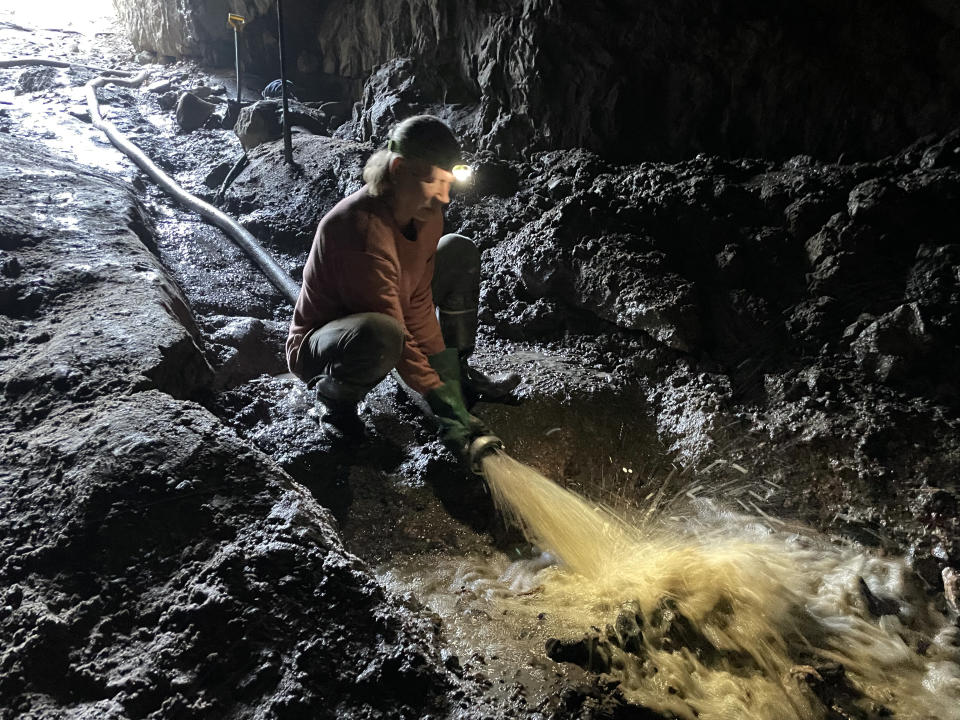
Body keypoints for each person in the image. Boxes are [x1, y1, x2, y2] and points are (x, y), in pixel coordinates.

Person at [285, 115, 520, 459]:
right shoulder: (360, 229)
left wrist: (447, 377)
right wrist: (444, 406)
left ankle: (462, 369)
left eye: (447, 183)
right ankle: (334, 399)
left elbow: (419, 302)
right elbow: (398, 327)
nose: (445, 197)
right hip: (328, 344)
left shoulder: (426, 216)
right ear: (398, 170)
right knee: (385, 334)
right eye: (433, 182)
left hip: (385, 319)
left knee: (457, 250)